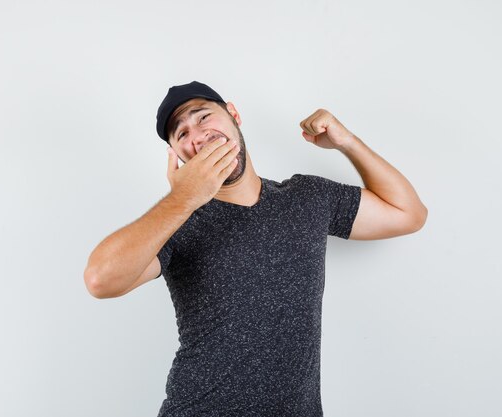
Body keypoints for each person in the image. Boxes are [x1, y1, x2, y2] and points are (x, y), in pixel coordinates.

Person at [83, 81, 428, 416]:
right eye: (182, 133)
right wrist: (183, 198)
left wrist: (346, 142)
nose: (198, 135)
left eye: (203, 117)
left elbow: (408, 214)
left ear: (233, 114)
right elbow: (100, 280)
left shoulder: (306, 198)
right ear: (177, 156)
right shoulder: (175, 221)